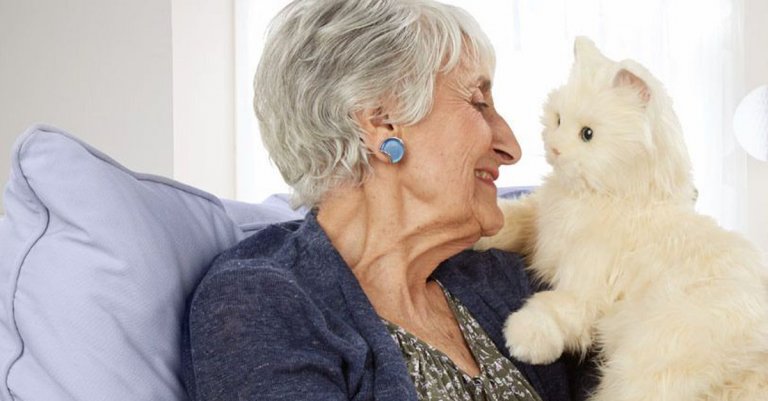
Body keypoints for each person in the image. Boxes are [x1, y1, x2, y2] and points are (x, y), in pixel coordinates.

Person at [181, 0, 579, 400]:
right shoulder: (265, 301)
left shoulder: (507, 278)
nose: (512, 147)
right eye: (478, 102)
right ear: (382, 120)